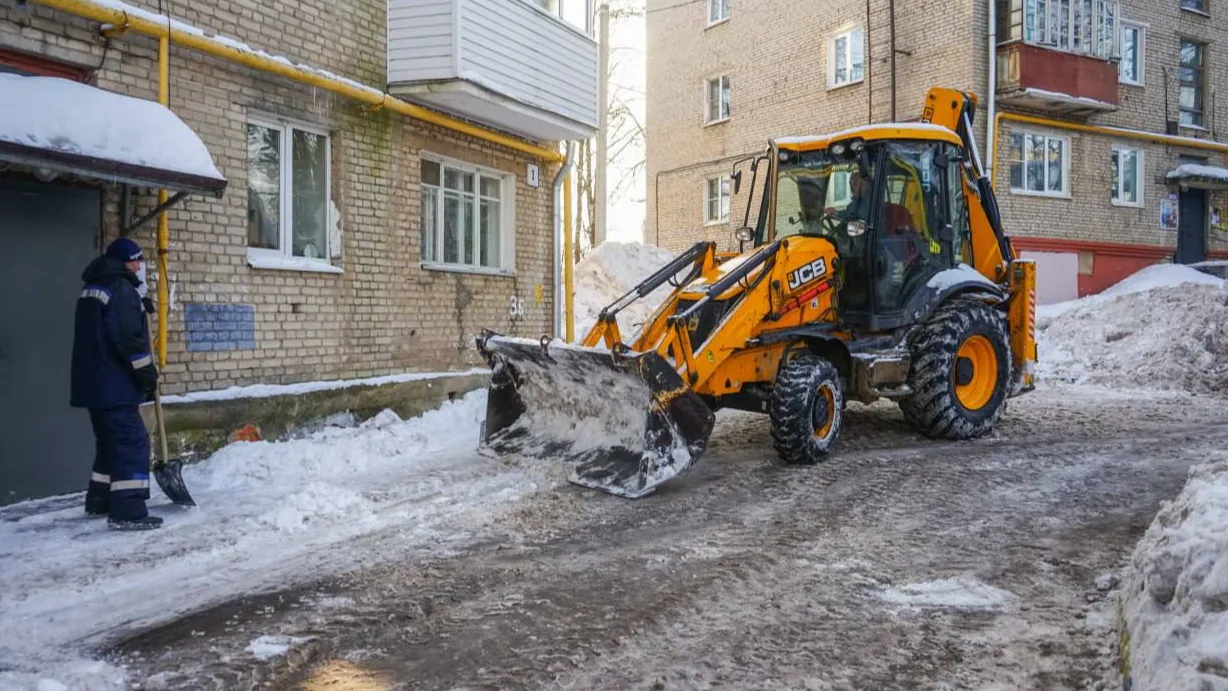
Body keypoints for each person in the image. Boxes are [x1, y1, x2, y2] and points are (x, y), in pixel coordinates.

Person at [71, 237, 162, 531]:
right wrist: (147, 374)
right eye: (135, 260)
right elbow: (129, 340)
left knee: (109, 444)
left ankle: (100, 501)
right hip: (115, 383)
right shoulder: (120, 288)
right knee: (130, 441)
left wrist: (137, 300)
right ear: (123, 262)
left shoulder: (95, 286)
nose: (138, 266)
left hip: (94, 382)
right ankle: (129, 510)